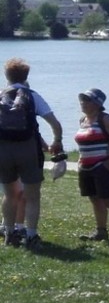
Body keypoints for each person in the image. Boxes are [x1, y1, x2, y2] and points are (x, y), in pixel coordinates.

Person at [0, 58, 65, 250]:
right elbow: (55, 124)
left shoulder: (0, 95)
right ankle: (30, 235)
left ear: (7, 76)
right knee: (32, 196)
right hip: (28, 150)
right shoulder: (33, 96)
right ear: (26, 76)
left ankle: (9, 233)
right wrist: (57, 141)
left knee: (9, 194)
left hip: (3, 151)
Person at [72, 88, 109, 248]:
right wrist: (80, 161)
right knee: (95, 199)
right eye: (82, 99)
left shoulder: (105, 119)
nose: (83, 103)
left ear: (97, 104)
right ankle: (101, 232)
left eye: (87, 100)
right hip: (86, 168)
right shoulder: (82, 120)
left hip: (103, 167)